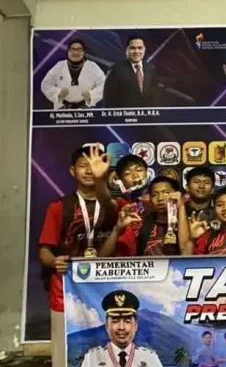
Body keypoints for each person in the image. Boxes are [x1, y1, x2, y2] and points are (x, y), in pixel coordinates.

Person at [38, 147, 113, 367]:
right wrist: (55, 261)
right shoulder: (59, 208)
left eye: (94, 166)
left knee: (109, 343)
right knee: (65, 346)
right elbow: (44, 251)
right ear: (72, 171)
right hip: (67, 287)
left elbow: (109, 205)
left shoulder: (116, 205)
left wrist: (101, 182)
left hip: (106, 284)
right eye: (83, 165)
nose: (90, 171)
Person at [101, 176, 188, 256]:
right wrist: (117, 229)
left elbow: (186, 252)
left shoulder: (190, 224)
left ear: (177, 195)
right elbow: (102, 257)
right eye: (154, 195)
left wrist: (181, 207)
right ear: (150, 199)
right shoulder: (139, 225)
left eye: (166, 193)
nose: (160, 198)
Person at [81, 290, 162, 367]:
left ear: (136, 325)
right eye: (115, 321)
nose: (121, 327)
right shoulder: (92, 359)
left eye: (127, 321)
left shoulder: (150, 359)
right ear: (107, 326)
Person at [41, 39, 106, 109]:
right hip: (62, 109)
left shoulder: (92, 66)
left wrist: (91, 95)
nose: (75, 52)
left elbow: (105, 85)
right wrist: (58, 93)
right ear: (68, 51)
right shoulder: (59, 66)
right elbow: (45, 84)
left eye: (79, 50)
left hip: (86, 109)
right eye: (72, 49)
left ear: (84, 52)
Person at [103, 34, 161, 108]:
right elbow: (108, 101)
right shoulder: (115, 70)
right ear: (127, 50)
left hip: (146, 114)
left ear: (144, 49)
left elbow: (154, 97)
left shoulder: (151, 69)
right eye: (133, 48)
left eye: (140, 48)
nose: (136, 51)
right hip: (124, 114)